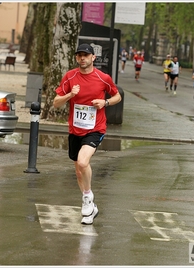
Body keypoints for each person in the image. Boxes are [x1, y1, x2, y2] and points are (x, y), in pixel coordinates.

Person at [53, 43, 122, 224]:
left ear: (93, 58)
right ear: (76, 58)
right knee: (78, 172)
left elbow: (117, 96)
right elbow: (55, 103)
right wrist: (70, 95)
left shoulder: (103, 77)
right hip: (75, 129)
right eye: (79, 55)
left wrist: (105, 102)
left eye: (86, 55)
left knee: (84, 162)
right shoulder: (70, 77)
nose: (82, 58)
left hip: (95, 128)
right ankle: (91, 210)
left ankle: (87, 197)